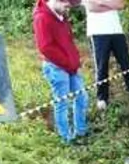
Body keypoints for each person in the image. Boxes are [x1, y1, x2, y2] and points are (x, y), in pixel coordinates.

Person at [33, 0, 88, 144]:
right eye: (66, 5)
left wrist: (75, 60)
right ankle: (66, 138)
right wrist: (67, 63)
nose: (67, 9)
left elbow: (69, 41)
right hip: (55, 67)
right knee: (62, 103)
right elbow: (45, 47)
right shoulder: (42, 17)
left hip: (70, 66)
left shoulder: (61, 15)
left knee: (82, 97)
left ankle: (81, 132)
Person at [82, 0, 129, 111]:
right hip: (98, 32)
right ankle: (102, 97)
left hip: (116, 30)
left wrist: (101, 2)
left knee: (126, 62)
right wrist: (111, 5)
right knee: (102, 66)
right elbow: (91, 7)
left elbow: (120, 4)